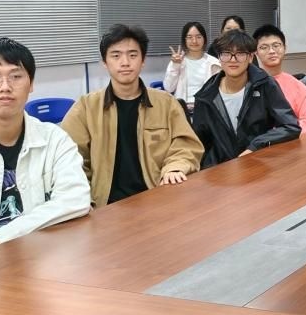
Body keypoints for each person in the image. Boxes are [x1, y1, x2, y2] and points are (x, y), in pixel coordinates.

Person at [0, 38, 91, 256]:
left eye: (16, 76)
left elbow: (76, 198)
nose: (5, 87)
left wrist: (0, 239)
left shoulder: (54, 139)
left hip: (37, 256)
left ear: (31, 84)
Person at [62, 24, 203, 206]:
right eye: (116, 56)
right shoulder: (86, 108)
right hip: (106, 206)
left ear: (143, 60)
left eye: (133, 55)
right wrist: (84, 200)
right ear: (104, 62)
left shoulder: (166, 103)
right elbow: (69, 159)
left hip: (157, 198)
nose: (125, 62)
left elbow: (187, 145)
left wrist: (175, 167)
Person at [191, 30, 301, 167]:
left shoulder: (264, 84)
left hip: (258, 165)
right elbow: (198, 143)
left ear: (250, 57)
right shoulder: (206, 95)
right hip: (219, 170)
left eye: (240, 54)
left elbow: (290, 126)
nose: (233, 60)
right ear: (219, 57)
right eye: (226, 54)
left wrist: (256, 145)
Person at [252, 24, 306, 135]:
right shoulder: (249, 84)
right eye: (264, 47)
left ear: (284, 48)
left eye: (276, 45)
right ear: (256, 52)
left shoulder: (299, 87)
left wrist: (280, 137)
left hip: (291, 142)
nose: (271, 51)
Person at [163, 21, 220, 110]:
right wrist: (175, 65)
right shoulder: (178, 61)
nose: (194, 41)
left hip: (206, 109)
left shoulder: (214, 63)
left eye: (198, 37)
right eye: (190, 37)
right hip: (181, 109)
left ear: (204, 39)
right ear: (184, 40)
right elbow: (168, 88)